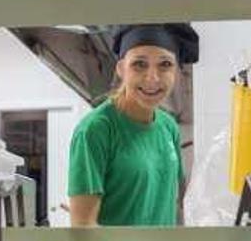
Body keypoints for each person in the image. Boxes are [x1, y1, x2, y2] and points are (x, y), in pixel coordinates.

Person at [67, 23, 199, 227]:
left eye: (165, 65)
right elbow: (83, 227)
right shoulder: (96, 129)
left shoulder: (168, 126)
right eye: (139, 64)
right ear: (120, 69)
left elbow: (173, 202)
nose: (152, 78)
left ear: (177, 72)